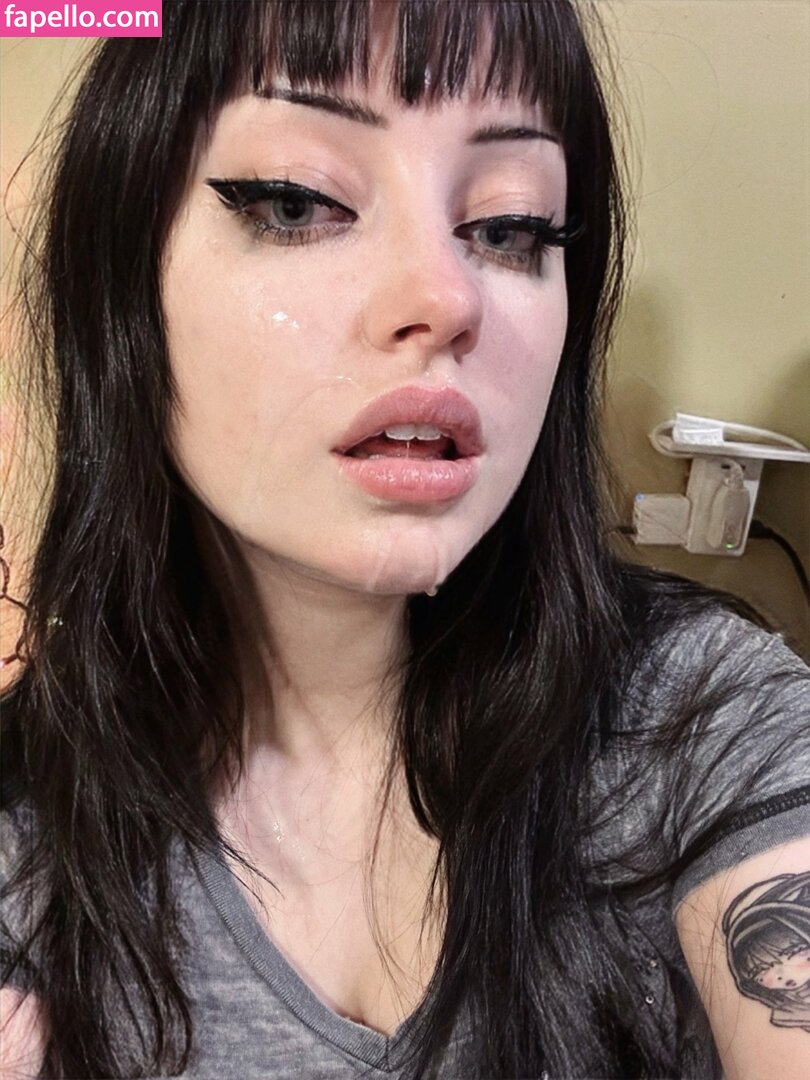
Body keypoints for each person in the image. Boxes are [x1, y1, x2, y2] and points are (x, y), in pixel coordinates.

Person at [1, 1, 808, 1077]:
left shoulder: (708, 722)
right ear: (120, 284)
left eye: (512, 227)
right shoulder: (28, 831)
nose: (444, 295)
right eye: (297, 201)